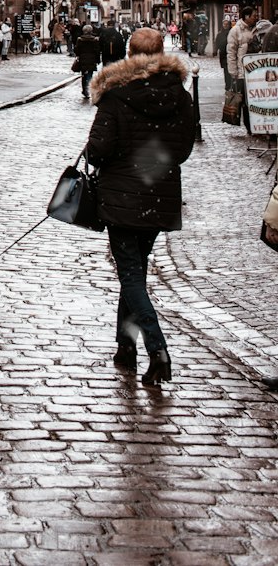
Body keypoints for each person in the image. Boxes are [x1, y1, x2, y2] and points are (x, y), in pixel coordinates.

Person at [85, 27, 196, 387]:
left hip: (121, 195)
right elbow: (181, 150)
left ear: (131, 54)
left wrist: (111, 158)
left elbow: (99, 149)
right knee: (134, 274)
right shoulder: (179, 95)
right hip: (157, 194)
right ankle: (125, 346)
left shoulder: (116, 93)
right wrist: (152, 164)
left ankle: (158, 349)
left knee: (131, 275)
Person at [227, 4, 259, 132]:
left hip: (256, 71)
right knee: (246, 101)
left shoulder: (256, 29)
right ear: (246, 16)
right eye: (254, 16)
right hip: (243, 72)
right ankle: (249, 126)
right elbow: (231, 52)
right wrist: (233, 71)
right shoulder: (236, 30)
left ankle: (257, 124)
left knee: (255, 98)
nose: (256, 18)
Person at [75, 22, 102, 100]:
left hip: (83, 59)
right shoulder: (95, 40)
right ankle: (88, 89)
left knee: (83, 75)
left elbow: (77, 50)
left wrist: (78, 55)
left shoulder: (80, 39)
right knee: (90, 75)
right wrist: (98, 60)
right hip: (91, 59)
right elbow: (97, 51)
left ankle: (84, 89)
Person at [215, 18, 233, 88]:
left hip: (230, 53)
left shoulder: (231, 33)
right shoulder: (220, 34)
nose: (225, 26)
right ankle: (227, 85)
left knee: (231, 70)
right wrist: (216, 50)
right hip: (223, 55)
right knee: (226, 71)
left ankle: (231, 84)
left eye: (227, 24)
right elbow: (217, 43)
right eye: (224, 24)